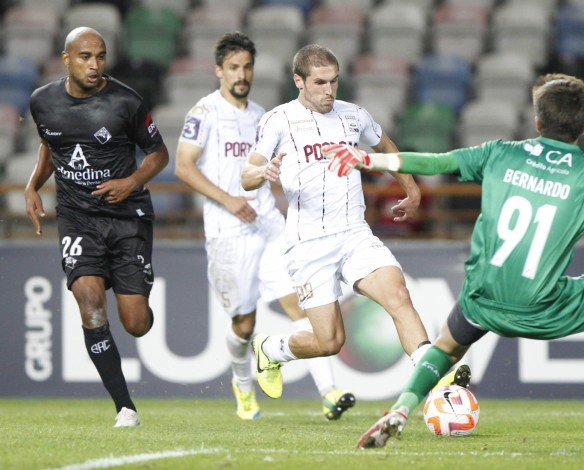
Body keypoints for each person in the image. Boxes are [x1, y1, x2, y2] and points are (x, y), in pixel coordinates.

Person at [321, 73, 584, 449]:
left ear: (537, 121)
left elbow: (436, 162)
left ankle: (401, 408)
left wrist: (366, 158)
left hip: (483, 298)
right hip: (544, 306)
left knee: (446, 346)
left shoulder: (499, 153)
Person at [240, 44, 468, 400]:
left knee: (399, 295)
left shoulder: (353, 115)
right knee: (329, 341)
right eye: (319, 83)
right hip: (308, 244)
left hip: (354, 234)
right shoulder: (278, 120)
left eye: (334, 81)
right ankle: (270, 350)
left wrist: (412, 191)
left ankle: (434, 376)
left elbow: (386, 146)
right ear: (298, 81)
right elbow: (246, 175)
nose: (329, 90)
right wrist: (261, 172)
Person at [174, 32, 354, 420]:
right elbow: (183, 167)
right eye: (234, 67)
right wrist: (228, 199)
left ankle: (330, 391)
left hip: (271, 227)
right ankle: (243, 388)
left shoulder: (263, 115)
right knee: (244, 322)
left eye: (248, 67)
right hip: (227, 232)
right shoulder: (202, 114)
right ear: (219, 70)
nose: (242, 74)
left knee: (301, 303)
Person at [24, 27, 169, 427]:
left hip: (127, 216)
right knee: (89, 303)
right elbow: (51, 144)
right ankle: (125, 407)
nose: (94, 64)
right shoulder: (42, 101)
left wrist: (132, 181)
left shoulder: (126, 101)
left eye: (100, 56)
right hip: (76, 216)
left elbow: (159, 153)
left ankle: (136, 299)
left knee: (136, 324)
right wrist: (33, 184)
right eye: (85, 56)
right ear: (66, 59)